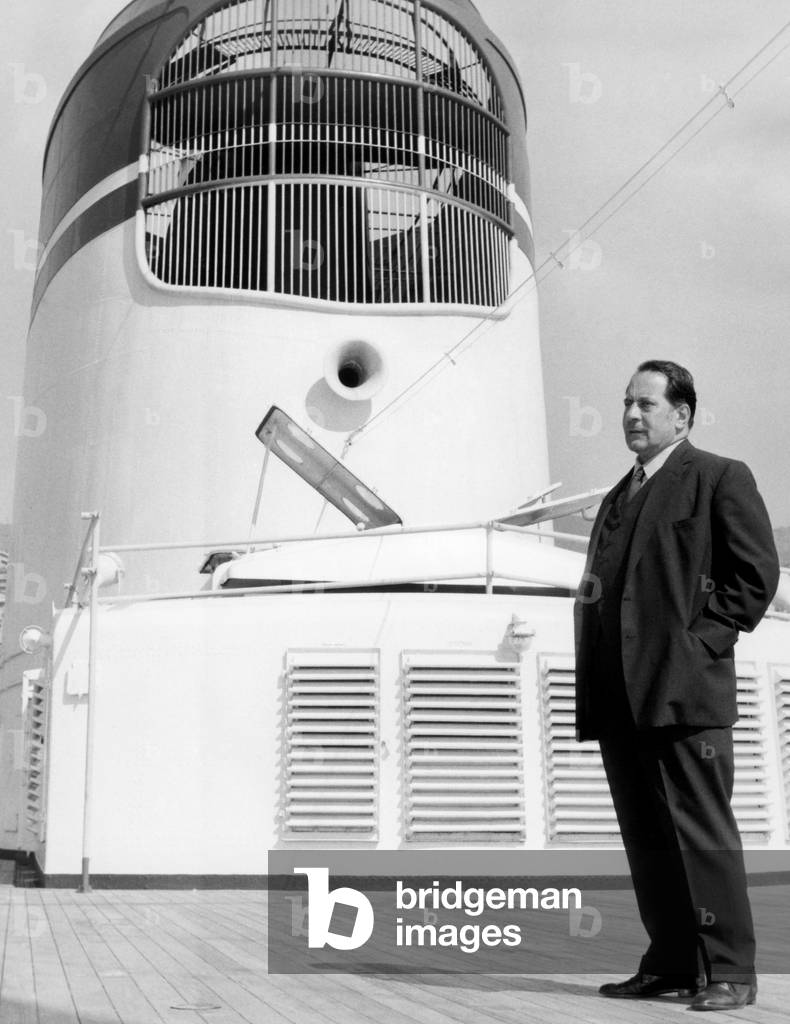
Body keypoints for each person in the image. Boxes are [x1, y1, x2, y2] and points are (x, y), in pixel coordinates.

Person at [573, 360, 779, 1011]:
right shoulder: (615, 497)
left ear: (682, 415)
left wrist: (699, 646)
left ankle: (731, 971)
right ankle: (669, 962)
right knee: (648, 839)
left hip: (686, 697)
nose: (632, 415)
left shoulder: (718, 477)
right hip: (622, 700)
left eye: (647, 405)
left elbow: (755, 576)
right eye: (626, 404)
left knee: (702, 836)